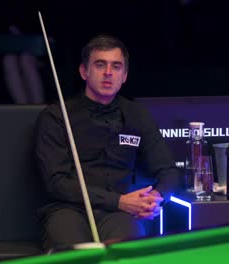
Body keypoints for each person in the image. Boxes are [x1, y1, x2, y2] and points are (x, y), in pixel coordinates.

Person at [34, 34, 181, 251]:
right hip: (68, 210)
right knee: (77, 253)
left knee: (128, 250)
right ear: (84, 72)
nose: (108, 73)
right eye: (100, 65)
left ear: (125, 75)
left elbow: (168, 172)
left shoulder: (137, 114)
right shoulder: (57, 115)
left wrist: (155, 198)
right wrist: (119, 200)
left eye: (116, 66)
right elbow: (57, 183)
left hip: (118, 215)